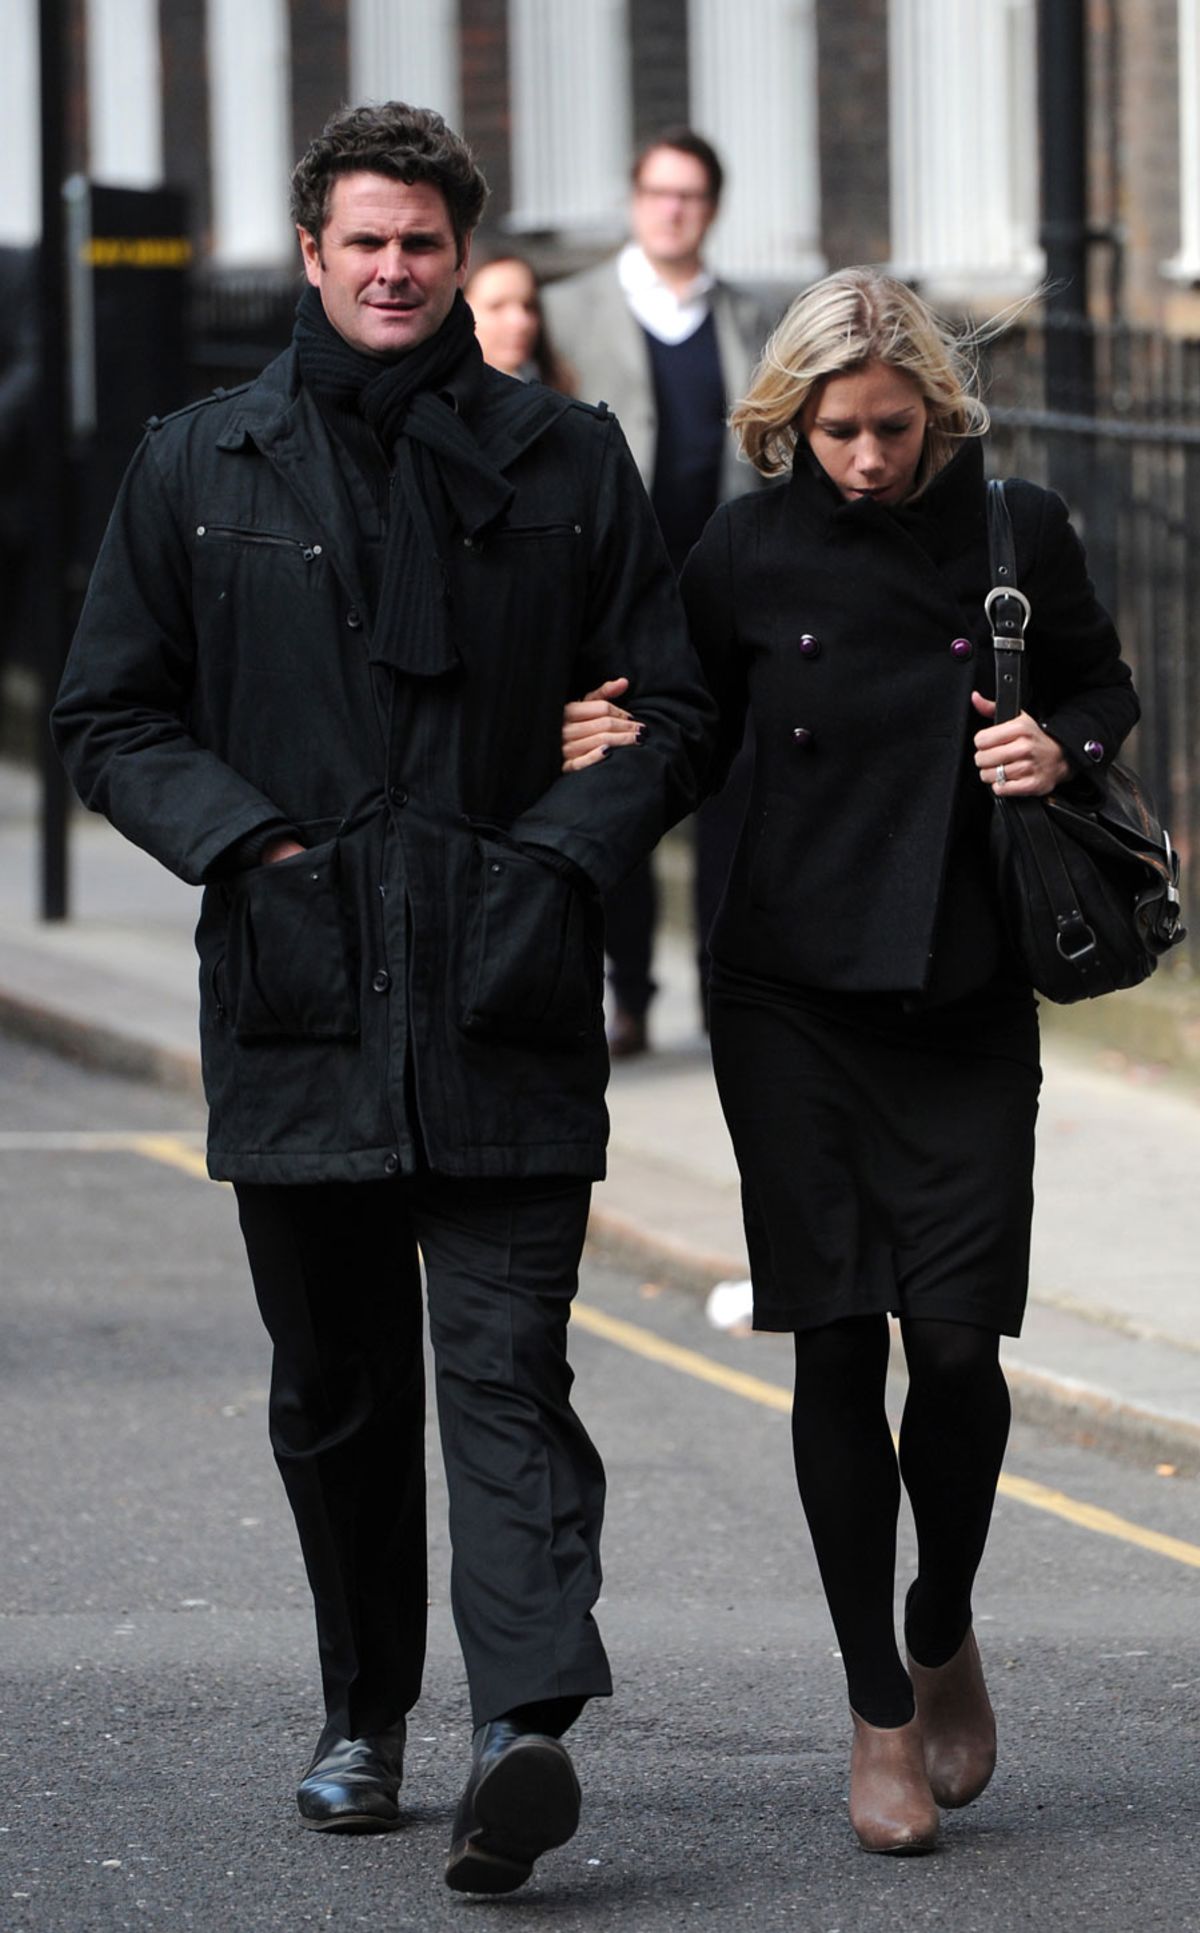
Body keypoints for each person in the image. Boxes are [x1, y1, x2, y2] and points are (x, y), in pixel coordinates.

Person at [52, 101, 713, 1895]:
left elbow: (669, 705)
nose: (398, 266)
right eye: (367, 240)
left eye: (425, 240)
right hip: (301, 992)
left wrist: (565, 856)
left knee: (505, 1370)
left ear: (458, 249)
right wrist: (250, 846)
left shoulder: (568, 464)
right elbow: (108, 713)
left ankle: (522, 1731)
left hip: (507, 985)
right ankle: (365, 1714)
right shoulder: (205, 463)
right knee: (336, 1386)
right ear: (318, 252)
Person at [564, 267, 1139, 1853]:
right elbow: (688, 722)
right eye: (839, 432)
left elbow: (1107, 684)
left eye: (892, 430)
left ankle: (942, 1615)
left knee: (958, 1349)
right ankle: (878, 1706)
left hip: (960, 989)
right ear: (792, 420)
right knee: (837, 1343)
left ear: (935, 417)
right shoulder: (748, 545)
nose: (867, 461)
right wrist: (605, 768)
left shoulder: (1016, 529)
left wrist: (1059, 746)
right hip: (792, 993)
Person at [544, 128, 776, 1054]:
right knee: (625, 795)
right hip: (618, 604)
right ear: (636, 200)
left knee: (735, 798)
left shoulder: (752, 316)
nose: (673, 209)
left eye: (691, 196)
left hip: (723, 599)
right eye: (658, 193)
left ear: (711, 208)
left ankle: (726, 992)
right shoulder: (570, 310)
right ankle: (629, 995)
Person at [464, 249, 574, 391]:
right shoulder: (439, 406)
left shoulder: (557, 396)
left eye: (529, 306)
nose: (520, 321)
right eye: (496, 306)